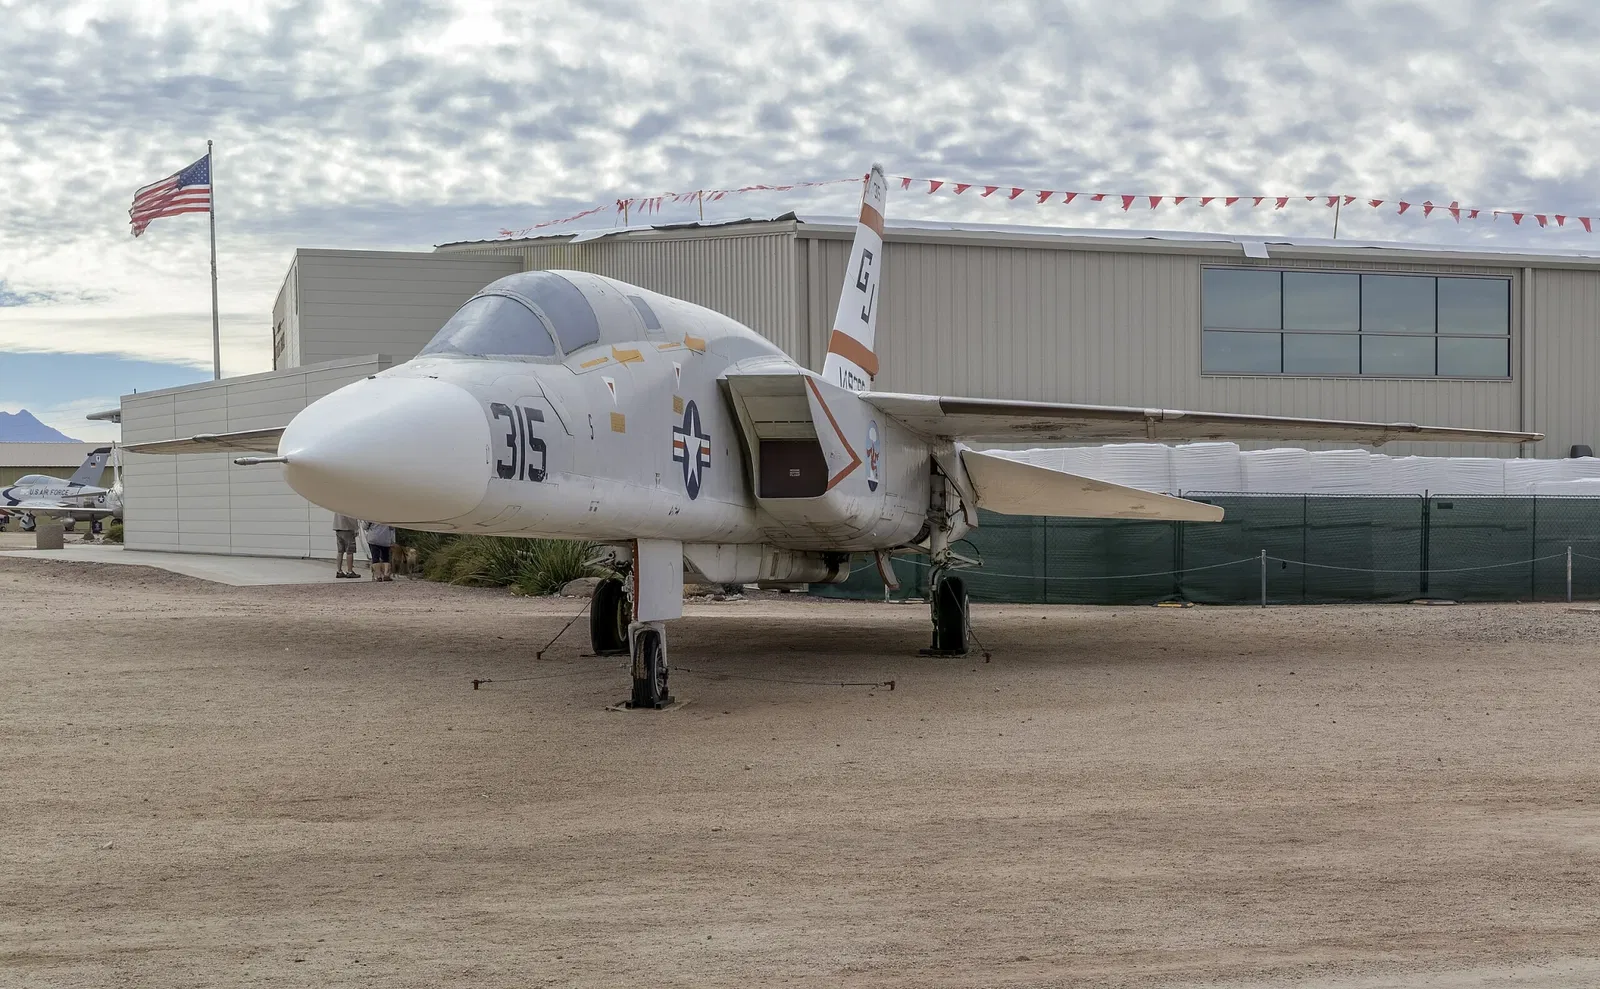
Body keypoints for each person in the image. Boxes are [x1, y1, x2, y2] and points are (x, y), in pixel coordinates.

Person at [333, 513, 360, 578]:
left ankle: (339, 571)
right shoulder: (348, 505)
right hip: (348, 529)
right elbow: (352, 518)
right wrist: (356, 528)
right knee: (350, 551)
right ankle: (350, 571)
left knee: (340, 551)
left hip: (338, 528)